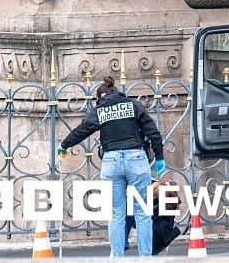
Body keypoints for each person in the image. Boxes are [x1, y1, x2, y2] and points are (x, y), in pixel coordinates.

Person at [58, 76, 165, 258]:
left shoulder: (100, 110)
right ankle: (146, 258)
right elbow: (152, 132)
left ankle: (117, 258)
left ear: (100, 98)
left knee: (116, 214)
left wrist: (65, 145)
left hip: (112, 161)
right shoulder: (133, 105)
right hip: (136, 159)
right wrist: (160, 156)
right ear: (116, 92)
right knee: (142, 213)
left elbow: (82, 130)